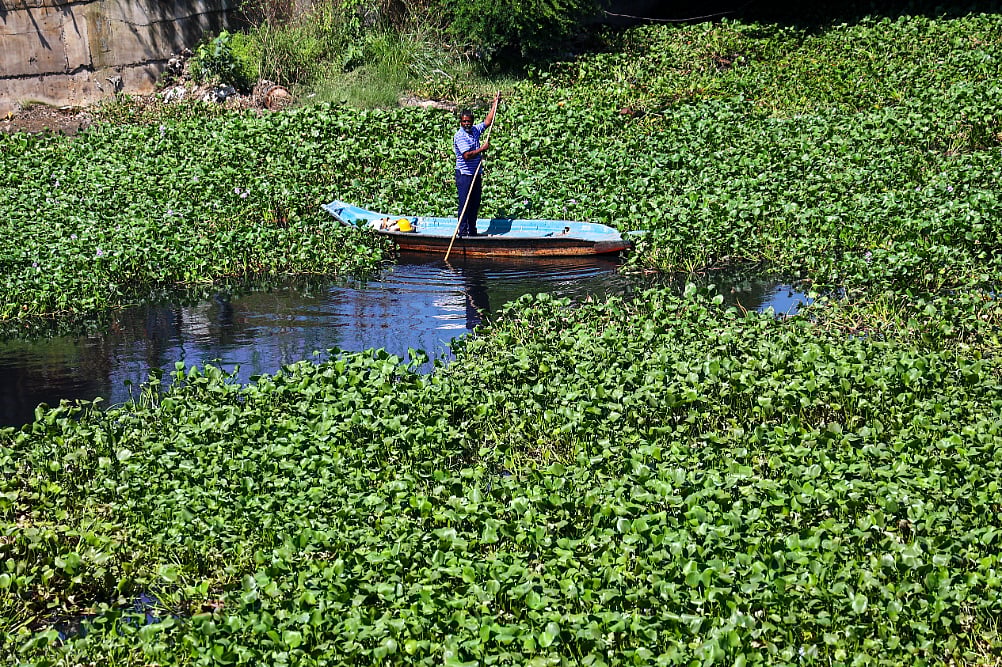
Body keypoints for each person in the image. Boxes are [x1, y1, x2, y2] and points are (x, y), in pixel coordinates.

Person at [453, 92, 501, 237]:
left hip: (476, 174)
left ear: (472, 121)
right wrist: (482, 149)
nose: (467, 124)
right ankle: (462, 232)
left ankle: (472, 231)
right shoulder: (460, 135)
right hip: (464, 175)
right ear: (461, 122)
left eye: (469, 121)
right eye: (464, 121)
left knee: (474, 203)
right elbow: (467, 156)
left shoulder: (475, 130)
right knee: (465, 204)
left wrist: (495, 104)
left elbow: (487, 121)